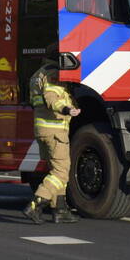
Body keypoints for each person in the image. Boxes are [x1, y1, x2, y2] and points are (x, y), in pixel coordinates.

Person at [22, 56, 80, 224]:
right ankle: (36, 203)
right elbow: (51, 97)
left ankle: (60, 209)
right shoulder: (53, 73)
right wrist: (67, 109)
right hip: (55, 130)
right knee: (61, 172)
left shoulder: (37, 74)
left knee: (55, 170)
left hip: (43, 129)